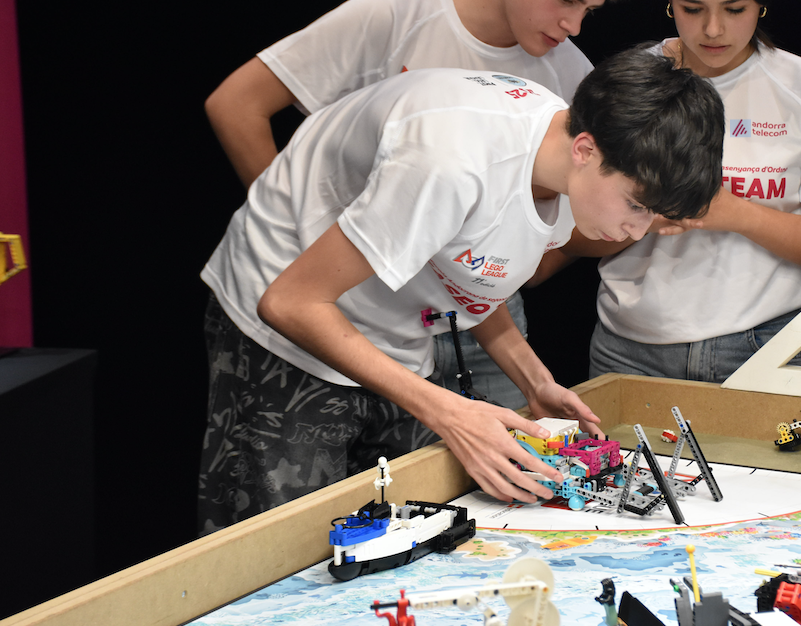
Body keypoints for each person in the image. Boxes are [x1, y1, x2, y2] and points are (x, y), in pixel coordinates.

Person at [198, 47, 725, 534]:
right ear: (587, 150)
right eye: (637, 205)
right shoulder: (452, 162)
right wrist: (449, 411)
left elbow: (466, 265)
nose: (639, 231)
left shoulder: (568, 167)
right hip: (287, 304)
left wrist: (534, 382)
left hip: (387, 315)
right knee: (287, 544)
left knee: (403, 525)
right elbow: (290, 302)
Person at [204, 0, 633, 410]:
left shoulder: (574, 80)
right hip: (317, 297)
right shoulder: (393, 14)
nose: (573, 25)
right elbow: (237, 104)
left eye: (588, 10)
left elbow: (505, 235)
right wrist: (301, 226)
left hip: (448, 311)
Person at [583, 0, 801, 384]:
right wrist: (642, 215)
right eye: (692, 8)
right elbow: (569, 233)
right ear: (668, 0)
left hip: (771, 346)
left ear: (761, 2)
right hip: (632, 349)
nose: (712, 29)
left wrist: (733, 212)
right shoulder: (627, 84)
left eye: (734, 9)